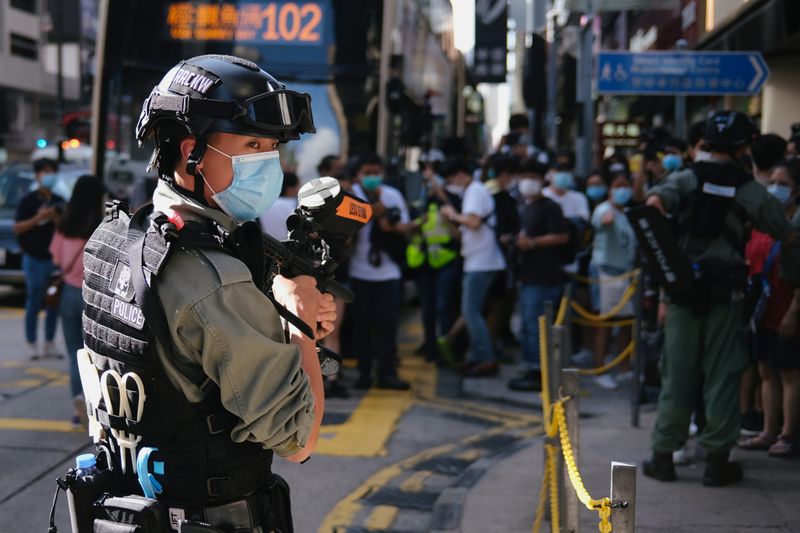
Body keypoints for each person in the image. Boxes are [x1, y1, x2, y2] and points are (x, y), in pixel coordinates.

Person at [81, 55, 335, 531]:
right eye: (252, 144)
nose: (269, 163)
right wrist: (298, 323)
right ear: (192, 151)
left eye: (273, 148)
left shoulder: (114, 238)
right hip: (206, 516)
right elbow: (299, 440)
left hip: (120, 508)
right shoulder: (212, 279)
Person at [643, 111, 800, 487]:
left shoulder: (684, 177)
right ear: (744, 146)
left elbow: (651, 209)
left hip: (683, 294)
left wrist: (670, 271)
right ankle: (717, 462)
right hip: (725, 295)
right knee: (723, 376)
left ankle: (663, 455)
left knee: (677, 372)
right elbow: (783, 229)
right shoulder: (746, 188)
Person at [739, 158, 800, 457]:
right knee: (766, 371)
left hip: (788, 309)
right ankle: (768, 430)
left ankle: (788, 435)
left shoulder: (796, 223)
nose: (776, 188)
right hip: (763, 310)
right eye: (773, 182)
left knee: (789, 373)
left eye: (784, 184)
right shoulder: (763, 221)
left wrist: (794, 311)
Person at [349, 153, 418, 390]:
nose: (372, 178)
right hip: (359, 271)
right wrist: (368, 214)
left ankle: (387, 372)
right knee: (362, 325)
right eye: (367, 173)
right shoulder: (351, 197)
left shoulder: (392, 195)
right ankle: (364, 373)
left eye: (375, 172)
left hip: (388, 272)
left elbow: (406, 227)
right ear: (358, 175)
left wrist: (387, 220)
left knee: (387, 325)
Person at [507, 160, 569, 391]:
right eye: (524, 176)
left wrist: (532, 243)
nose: (527, 182)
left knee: (537, 326)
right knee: (527, 325)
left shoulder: (550, 207)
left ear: (543, 180)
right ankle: (531, 365)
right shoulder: (525, 205)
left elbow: (561, 237)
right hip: (528, 275)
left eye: (533, 177)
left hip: (545, 276)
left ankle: (538, 370)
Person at [49, 175, 105, 427]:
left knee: (75, 354)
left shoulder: (65, 225)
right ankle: (96, 405)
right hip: (92, 297)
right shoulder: (101, 226)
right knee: (98, 355)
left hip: (68, 296)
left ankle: (77, 403)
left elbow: (57, 260)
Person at [441, 165, 506, 377]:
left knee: (471, 311)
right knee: (471, 310)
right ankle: (478, 356)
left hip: (482, 262)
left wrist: (452, 214)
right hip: (477, 260)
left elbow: (473, 221)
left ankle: (485, 358)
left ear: (460, 174)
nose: (452, 185)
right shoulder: (473, 190)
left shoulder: (475, 191)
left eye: (451, 179)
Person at [408, 158, 464, 364]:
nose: (427, 180)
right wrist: (416, 224)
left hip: (447, 262)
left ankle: (446, 347)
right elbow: (408, 228)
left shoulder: (451, 200)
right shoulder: (419, 203)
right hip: (424, 264)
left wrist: (437, 187)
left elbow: (458, 229)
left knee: (444, 307)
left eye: (431, 175)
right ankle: (431, 348)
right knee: (428, 309)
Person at [588, 173, 637, 390]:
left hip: (625, 272)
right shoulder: (603, 210)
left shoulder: (628, 213)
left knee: (626, 320)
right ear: (610, 190)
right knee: (605, 322)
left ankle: (624, 368)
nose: (622, 190)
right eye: (617, 186)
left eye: (626, 186)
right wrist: (606, 220)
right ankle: (599, 368)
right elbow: (601, 221)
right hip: (605, 272)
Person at [13, 158, 64, 360]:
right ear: (37, 175)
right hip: (34, 260)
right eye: (44, 172)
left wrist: (55, 218)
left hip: (54, 260)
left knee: (53, 302)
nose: (48, 176)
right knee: (34, 302)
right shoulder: (27, 201)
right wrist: (38, 219)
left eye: (51, 171)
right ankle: (32, 343)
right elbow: (17, 228)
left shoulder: (59, 201)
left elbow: (66, 229)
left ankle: (50, 343)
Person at [259, 171, 300, 240]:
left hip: (267, 247)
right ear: (290, 189)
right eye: (297, 187)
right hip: (293, 248)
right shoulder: (295, 205)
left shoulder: (262, 206)